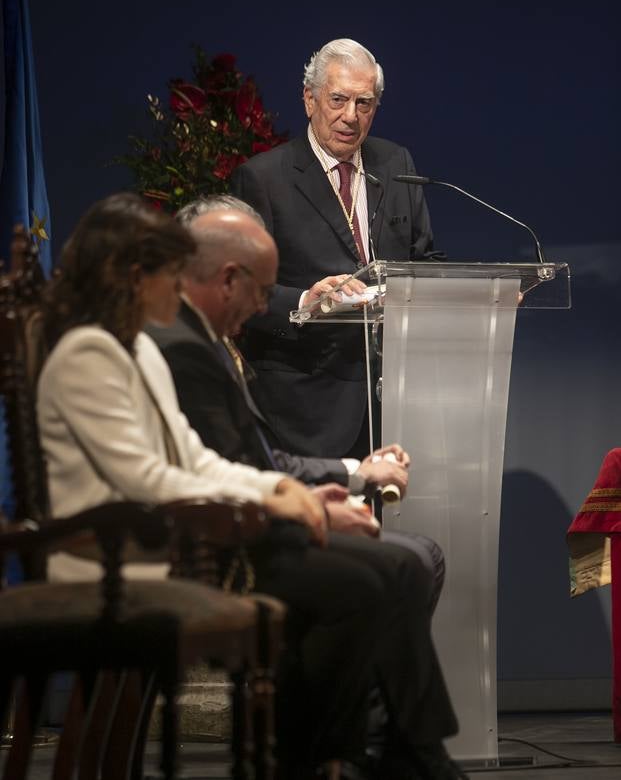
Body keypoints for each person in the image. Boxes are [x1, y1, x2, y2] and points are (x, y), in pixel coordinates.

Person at [38, 194, 464, 779]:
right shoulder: (91, 351)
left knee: (381, 571)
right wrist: (285, 500)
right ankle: (347, 760)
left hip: (170, 538)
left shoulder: (135, 349)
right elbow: (147, 478)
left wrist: (291, 495)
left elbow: (196, 461)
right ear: (135, 275)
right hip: (119, 558)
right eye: (170, 272)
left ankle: (376, 757)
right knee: (371, 578)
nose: (180, 287)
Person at [147, 194, 445, 613]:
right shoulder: (182, 350)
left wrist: (347, 477)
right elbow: (215, 475)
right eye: (263, 291)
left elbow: (244, 463)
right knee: (406, 564)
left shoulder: (203, 341)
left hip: (248, 518)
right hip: (228, 546)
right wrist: (311, 511)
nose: (264, 307)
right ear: (228, 279)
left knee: (415, 558)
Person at [230, 38, 435, 460]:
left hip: (390, 403)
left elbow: (425, 260)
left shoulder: (395, 164)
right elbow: (241, 292)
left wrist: (478, 295)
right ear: (310, 99)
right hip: (304, 406)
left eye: (364, 103)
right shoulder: (263, 179)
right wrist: (305, 301)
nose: (350, 116)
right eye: (338, 100)